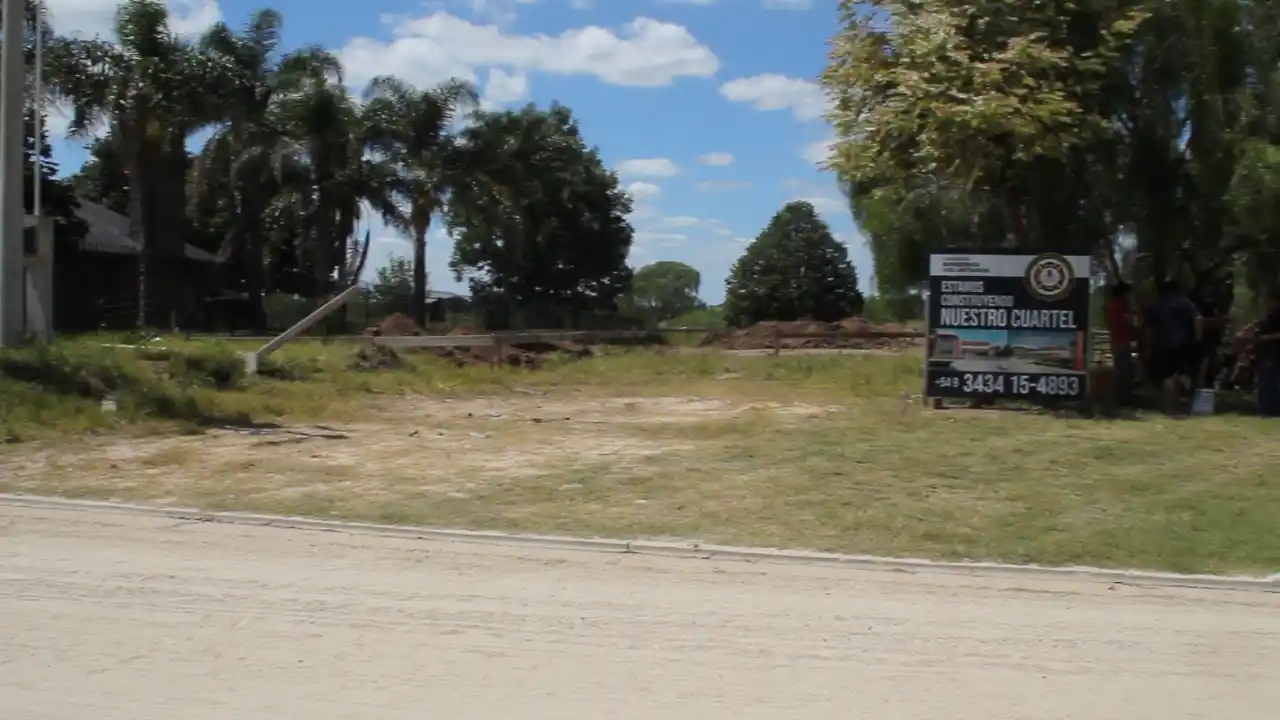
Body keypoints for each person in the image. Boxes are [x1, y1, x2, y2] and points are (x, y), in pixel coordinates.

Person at [1144, 280, 1203, 413]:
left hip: (1163, 344)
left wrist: (1148, 345)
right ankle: (1184, 382)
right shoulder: (1185, 302)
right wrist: (1198, 338)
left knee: (1167, 377)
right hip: (1185, 343)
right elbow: (1198, 319)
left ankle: (1170, 408)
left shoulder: (1156, 304)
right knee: (1183, 372)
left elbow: (1148, 328)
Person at [1106, 282, 1136, 407]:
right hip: (1120, 341)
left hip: (1122, 340)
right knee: (1121, 371)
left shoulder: (1119, 305)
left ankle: (1122, 398)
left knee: (1124, 371)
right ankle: (1117, 399)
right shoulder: (1117, 306)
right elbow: (1121, 322)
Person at [1252, 290, 1280, 416]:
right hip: (1266, 352)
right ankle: (1266, 408)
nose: (1266, 302)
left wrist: (1268, 338)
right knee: (1265, 382)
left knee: (1270, 381)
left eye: (1268, 299)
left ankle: (1271, 409)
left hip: (1275, 351)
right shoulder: (1268, 316)